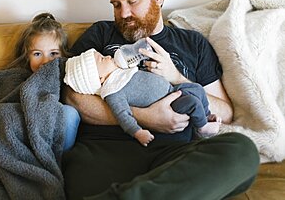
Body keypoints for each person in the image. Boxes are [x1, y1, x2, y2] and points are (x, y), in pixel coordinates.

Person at [62, 0, 259, 199]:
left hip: (173, 157)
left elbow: (225, 112)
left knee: (241, 151)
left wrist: (177, 77)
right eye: (115, 4)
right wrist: (145, 117)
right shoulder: (100, 35)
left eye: (132, 1)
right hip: (105, 151)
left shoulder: (192, 43)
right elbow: (71, 97)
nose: (123, 13)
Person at [64, 47, 220, 146]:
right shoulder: (112, 91)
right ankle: (202, 128)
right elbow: (122, 115)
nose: (106, 56)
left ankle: (205, 116)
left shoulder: (120, 72)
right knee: (192, 103)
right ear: (99, 79)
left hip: (172, 90)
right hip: (171, 105)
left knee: (197, 88)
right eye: (101, 59)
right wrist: (138, 132)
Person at [8, 12, 80, 151]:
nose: (45, 61)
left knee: (70, 113)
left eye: (53, 54)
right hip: (25, 136)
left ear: (63, 54)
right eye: (37, 54)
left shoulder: (68, 75)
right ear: (27, 56)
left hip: (54, 137)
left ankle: (53, 162)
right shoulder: (18, 77)